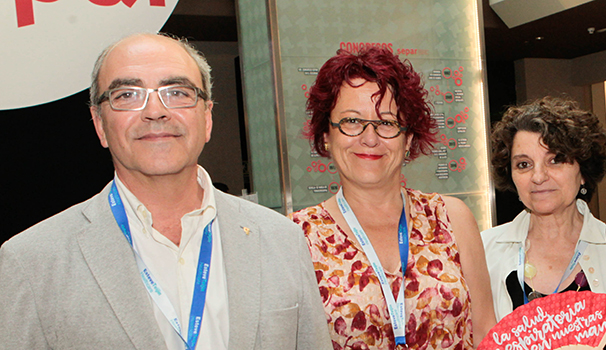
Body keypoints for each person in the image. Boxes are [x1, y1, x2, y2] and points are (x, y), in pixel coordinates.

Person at [0, 33, 331, 349]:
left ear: (207, 118)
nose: (155, 111)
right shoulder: (33, 262)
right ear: (100, 124)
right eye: (127, 95)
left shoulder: (281, 240)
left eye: (177, 92)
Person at [289, 47, 496, 349]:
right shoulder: (298, 236)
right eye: (351, 121)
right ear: (326, 136)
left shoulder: (451, 217)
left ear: (408, 138)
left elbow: (487, 334)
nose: (369, 138)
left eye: (386, 123)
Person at [482, 97, 606, 350]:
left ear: (583, 171)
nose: (538, 176)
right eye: (524, 164)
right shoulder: (486, 250)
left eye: (555, 160)